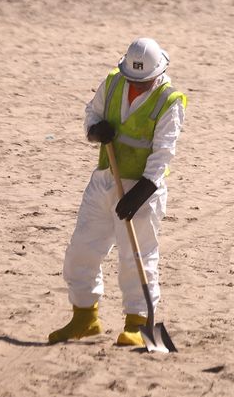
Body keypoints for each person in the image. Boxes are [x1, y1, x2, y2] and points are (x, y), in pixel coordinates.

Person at [48, 38, 187, 346]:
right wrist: (95, 130)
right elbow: (92, 113)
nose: (137, 86)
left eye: (143, 81)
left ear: (158, 73)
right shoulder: (112, 82)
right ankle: (85, 317)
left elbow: (164, 154)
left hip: (142, 188)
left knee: (136, 257)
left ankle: (138, 324)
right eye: (132, 80)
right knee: (81, 250)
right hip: (104, 180)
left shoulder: (169, 100)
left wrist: (141, 194)